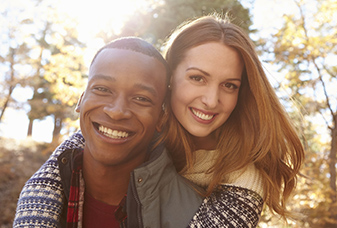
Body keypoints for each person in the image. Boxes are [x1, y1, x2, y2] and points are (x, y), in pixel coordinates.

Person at [13, 37, 203, 228]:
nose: (117, 111)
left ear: (162, 118)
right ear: (81, 100)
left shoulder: (194, 215)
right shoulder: (43, 194)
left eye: (141, 98)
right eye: (102, 89)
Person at [158, 14, 305, 225]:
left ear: (241, 92)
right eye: (197, 78)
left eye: (229, 85)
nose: (211, 100)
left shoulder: (244, 182)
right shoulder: (137, 132)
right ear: (170, 76)